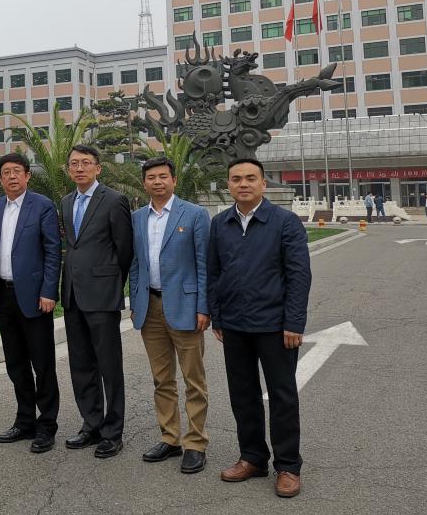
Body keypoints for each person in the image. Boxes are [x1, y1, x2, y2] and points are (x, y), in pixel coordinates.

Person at [208, 158, 311, 498]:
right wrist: (218, 316)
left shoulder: (284, 222)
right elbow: (214, 273)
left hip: (275, 326)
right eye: (236, 178)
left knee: (282, 396)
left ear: (263, 184)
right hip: (235, 325)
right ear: (228, 185)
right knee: (243, 395)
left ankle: (288, 466)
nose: (243, 184)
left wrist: (293, 322)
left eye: (251, 178)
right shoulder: (220, 223)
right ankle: (252, 457)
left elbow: (299, 275)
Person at [129, 156, 211, 475]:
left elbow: (204, 264)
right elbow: (136, 264)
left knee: (193, 380)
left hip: (186, 308)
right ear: (144, 183)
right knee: (162, 379)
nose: (157, 182)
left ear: (174, 180)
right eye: (151, 177)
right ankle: (170, 437)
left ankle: (196, 443)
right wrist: (135, 299)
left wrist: (203, 307)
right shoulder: (137, 217)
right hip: (149, 307)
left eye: (163, 176)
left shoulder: (194, 214)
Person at [0, 152, 62, 454]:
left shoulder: (42, 206)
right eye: (6, 172)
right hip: (4, 296)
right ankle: (25, 420)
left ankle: (47, 424)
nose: (12, 176)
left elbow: (53, 251)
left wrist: (49, 291)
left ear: (27, 175)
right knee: (15, 363)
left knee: (42, 364)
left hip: (35, 297)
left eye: (17, 171)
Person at [60, 144, 134, 459]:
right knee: (81, 365)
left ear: (98, 168)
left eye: (86, 163)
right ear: (68, 169)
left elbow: (124, 249)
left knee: (109, 366)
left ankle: (112, 432)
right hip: (73, 294)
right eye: (74, 163)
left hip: (102, 295)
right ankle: (91, 424)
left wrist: (110, 283)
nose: (80, 168)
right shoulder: (65, 202)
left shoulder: (114, 200)